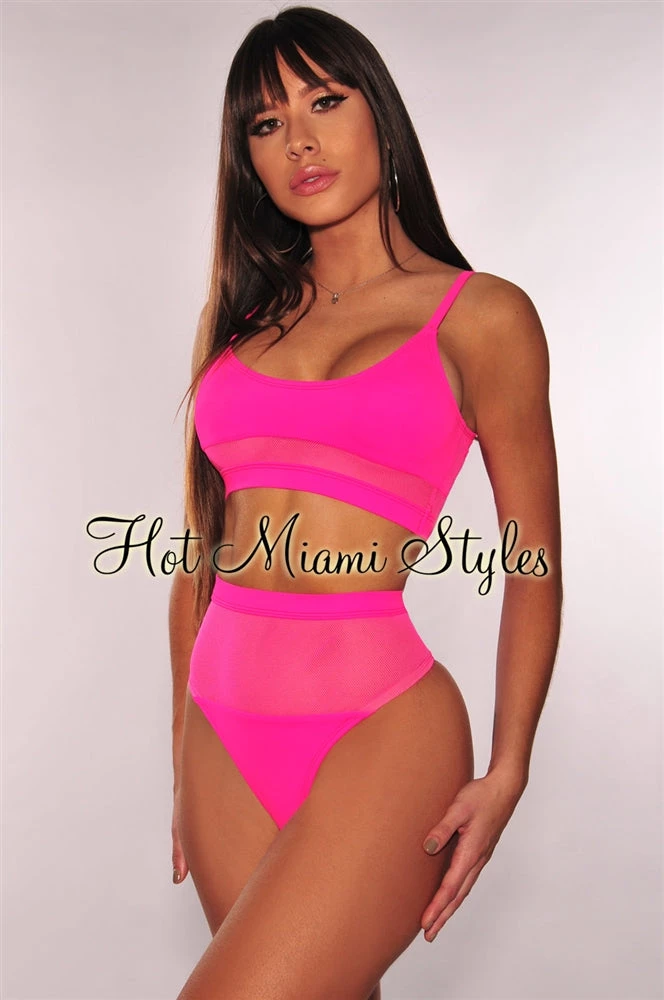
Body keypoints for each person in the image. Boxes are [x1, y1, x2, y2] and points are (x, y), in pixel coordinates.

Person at [169, 6, 562, 998]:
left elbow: (533, 565)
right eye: (265, 123)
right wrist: (181, 750)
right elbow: (199, 553)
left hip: (379, 723)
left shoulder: (481, 316)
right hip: (219, 726)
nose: (298, 141)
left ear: (378, 114)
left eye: (325, 101)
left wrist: (509, 767)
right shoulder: (240, 320)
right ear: (247, 158)